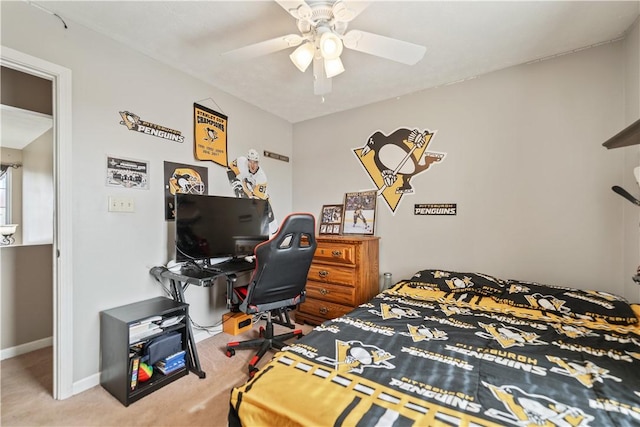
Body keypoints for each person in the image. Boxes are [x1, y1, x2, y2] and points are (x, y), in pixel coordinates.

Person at [227, 149, 278, 234]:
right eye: (250, 162)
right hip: (247, 194)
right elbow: (229, 170)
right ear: (247, 161)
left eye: (255, 162)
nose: (253, 165)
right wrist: (236, 185)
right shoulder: (241, 162)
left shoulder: (262, 178)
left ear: (258, 163)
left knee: (272, 227)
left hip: (262, 200)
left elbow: (256, 199)